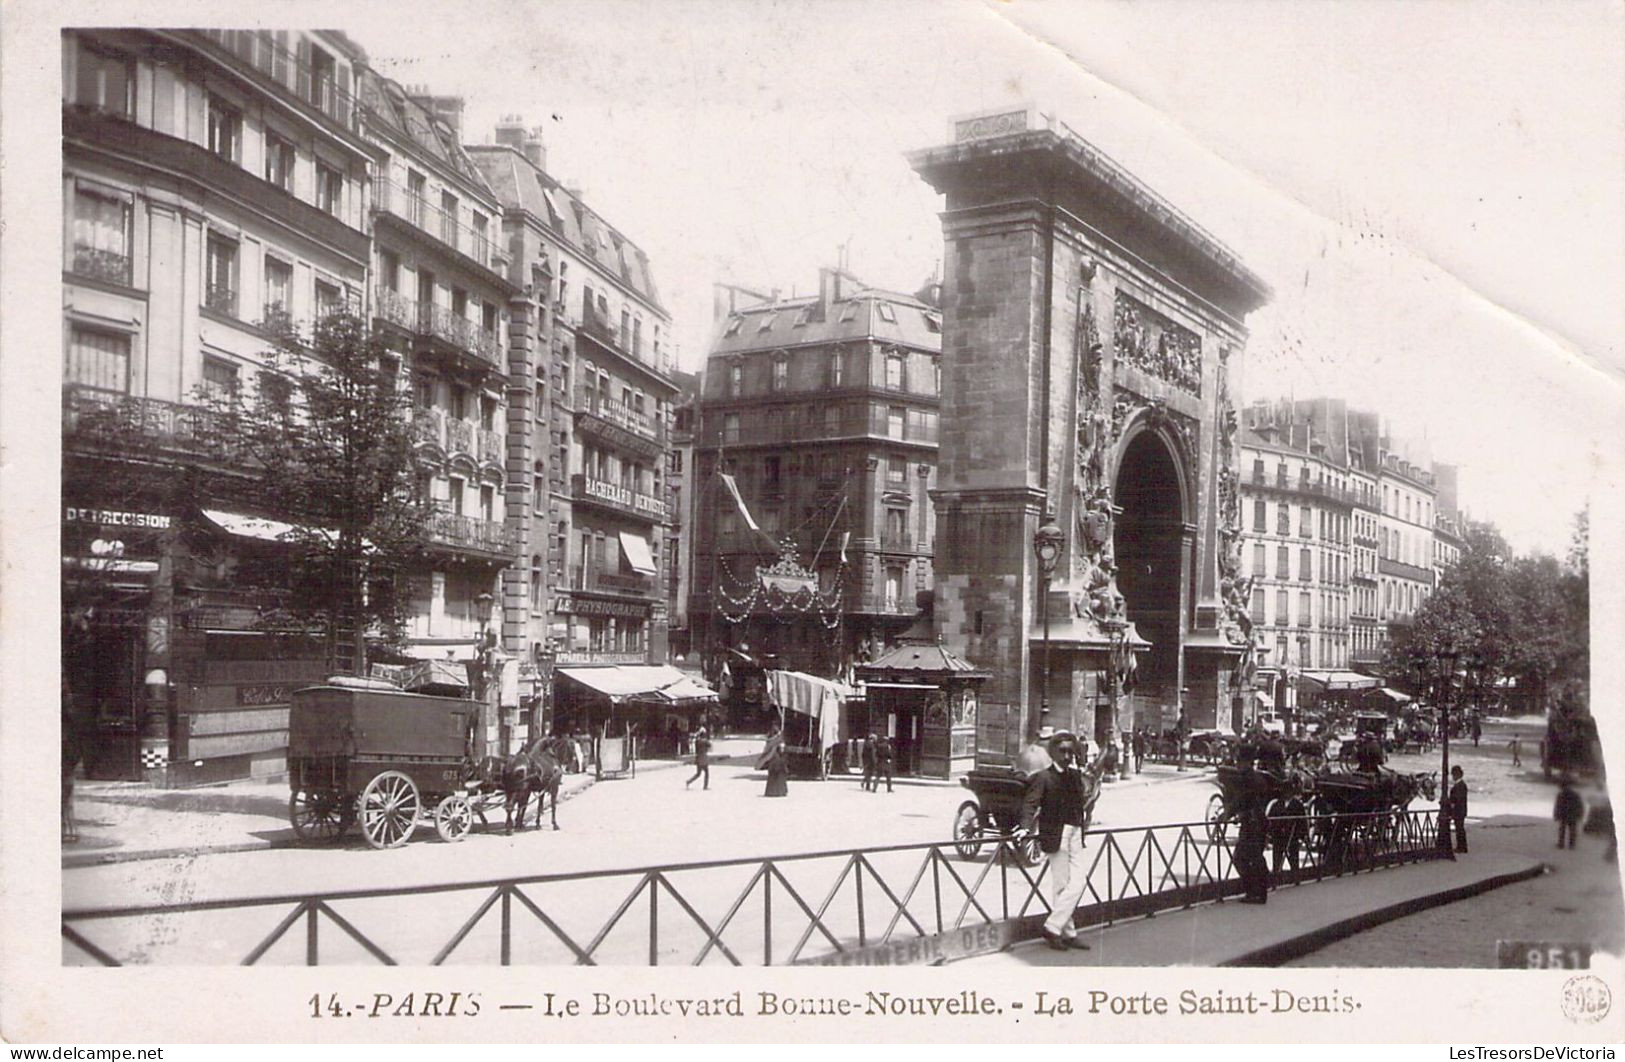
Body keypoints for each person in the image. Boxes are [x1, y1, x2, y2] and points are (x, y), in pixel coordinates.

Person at [1019, 732, 1093, 950]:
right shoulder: (1043, 777)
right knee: (1061, 884)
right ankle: (1067, 932)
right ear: (1053, 753)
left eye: (1071, 751)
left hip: (1075, 834)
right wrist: (1024, 828)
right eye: (1063, 751)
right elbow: (1030, 804)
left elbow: (1081, 802)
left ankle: (1052, 926)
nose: (1067, 755)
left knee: (1079, 881)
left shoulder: (1075, 775)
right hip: (1056, 835)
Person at [1232, 752, 1272, 903]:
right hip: (1259, 822)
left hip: (1251, 823)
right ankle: (1259, 892)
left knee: (1241, 858)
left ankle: (1254, 892)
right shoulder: (1259, 778)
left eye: (1239, 762)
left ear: (1247, 763)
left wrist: (1227, 814)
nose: (1237, 765)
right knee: (1255, 858)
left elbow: (1240, 800)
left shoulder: (1246, 779)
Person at [1554, 776, 1585, 850]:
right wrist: (1580, 814)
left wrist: (1556, 815)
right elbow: (1580, 805)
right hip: (1573, 814)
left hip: (1564, 814)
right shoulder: (1575, 794)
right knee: (1572, 830)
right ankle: (1572, 844)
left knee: (1562, 829)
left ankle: (1561, 844)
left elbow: (1558, 805)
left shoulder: (1561, 794)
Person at [1447, 765, 1469, 853]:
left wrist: (1451, 805)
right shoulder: (1462, 785)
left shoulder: (1459, 786)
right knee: (1460, 829)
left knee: (1459, 829)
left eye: (1453, 775)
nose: (1453, 776)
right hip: (1461, 810)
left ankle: (1461, 847)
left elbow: (1457, 799)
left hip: (1458, 811)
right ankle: (1462, 846)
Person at [686, 726, 711, 790]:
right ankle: (705, 786)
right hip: (704, 759)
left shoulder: (697, 741)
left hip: (698, 758)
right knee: (706, 773)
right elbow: (710, 745)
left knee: (698, 774)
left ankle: (689, 781)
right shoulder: (704, 741)